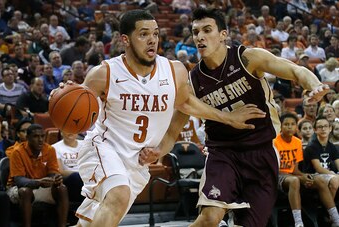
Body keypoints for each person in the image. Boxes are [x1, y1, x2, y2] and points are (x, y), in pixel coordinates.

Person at [53, 9, 266, 227]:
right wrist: (62, 93)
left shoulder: (173, 70)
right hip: (105, 149)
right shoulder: (104, 73)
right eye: (144, 34)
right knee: (118, 196)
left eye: (155, 34)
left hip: (137, 163)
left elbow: (185, 103)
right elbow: (78, 102)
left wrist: (229, 118)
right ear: (125, 40)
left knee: (89, 223)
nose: (152, 40)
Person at [139, 8, 330, 227]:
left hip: (261, 152)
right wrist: (157, 151)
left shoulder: (248, 58)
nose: (200, 36)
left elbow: (296, 71)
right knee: (210, 218)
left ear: (223, 34)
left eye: (207, 30)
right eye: (195, 32)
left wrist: (314, 85)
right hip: (223, 153)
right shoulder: (193, 82)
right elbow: (173, 131)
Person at [275, 112, 339, 227]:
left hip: (293, 175)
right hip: (278, 176)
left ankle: (335, 219)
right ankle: (298, 222)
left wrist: (303, 176)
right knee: (294, 180)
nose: (289, 127)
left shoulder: (297, 142)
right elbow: (274, 169)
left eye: (292, 124)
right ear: (280, 126)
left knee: (320, 180)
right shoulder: (274, 142)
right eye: (286, 124)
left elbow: (295, 169)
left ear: (296, 127)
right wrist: (298, 177)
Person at [6, 124, 69, 227]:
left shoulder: (49, 149)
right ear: (27, 138)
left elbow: (52, 172)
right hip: (17, 188)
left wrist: (55, 178)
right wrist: (38, 182)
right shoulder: (17, 152)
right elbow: (19, 180)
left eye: (42, 136)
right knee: (25, 191)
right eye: (36, 136)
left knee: (62, 188)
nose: (40, 140)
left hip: (41, 186)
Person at [52, 131, 84, 203]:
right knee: (76, 177)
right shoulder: (55, 148)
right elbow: (61, 171)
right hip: (68, 179)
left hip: (86, 177)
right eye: (67, 129)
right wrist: (81, 174)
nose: (70, 132)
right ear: (61, 132)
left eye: (73, 129)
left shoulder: (84, 144)